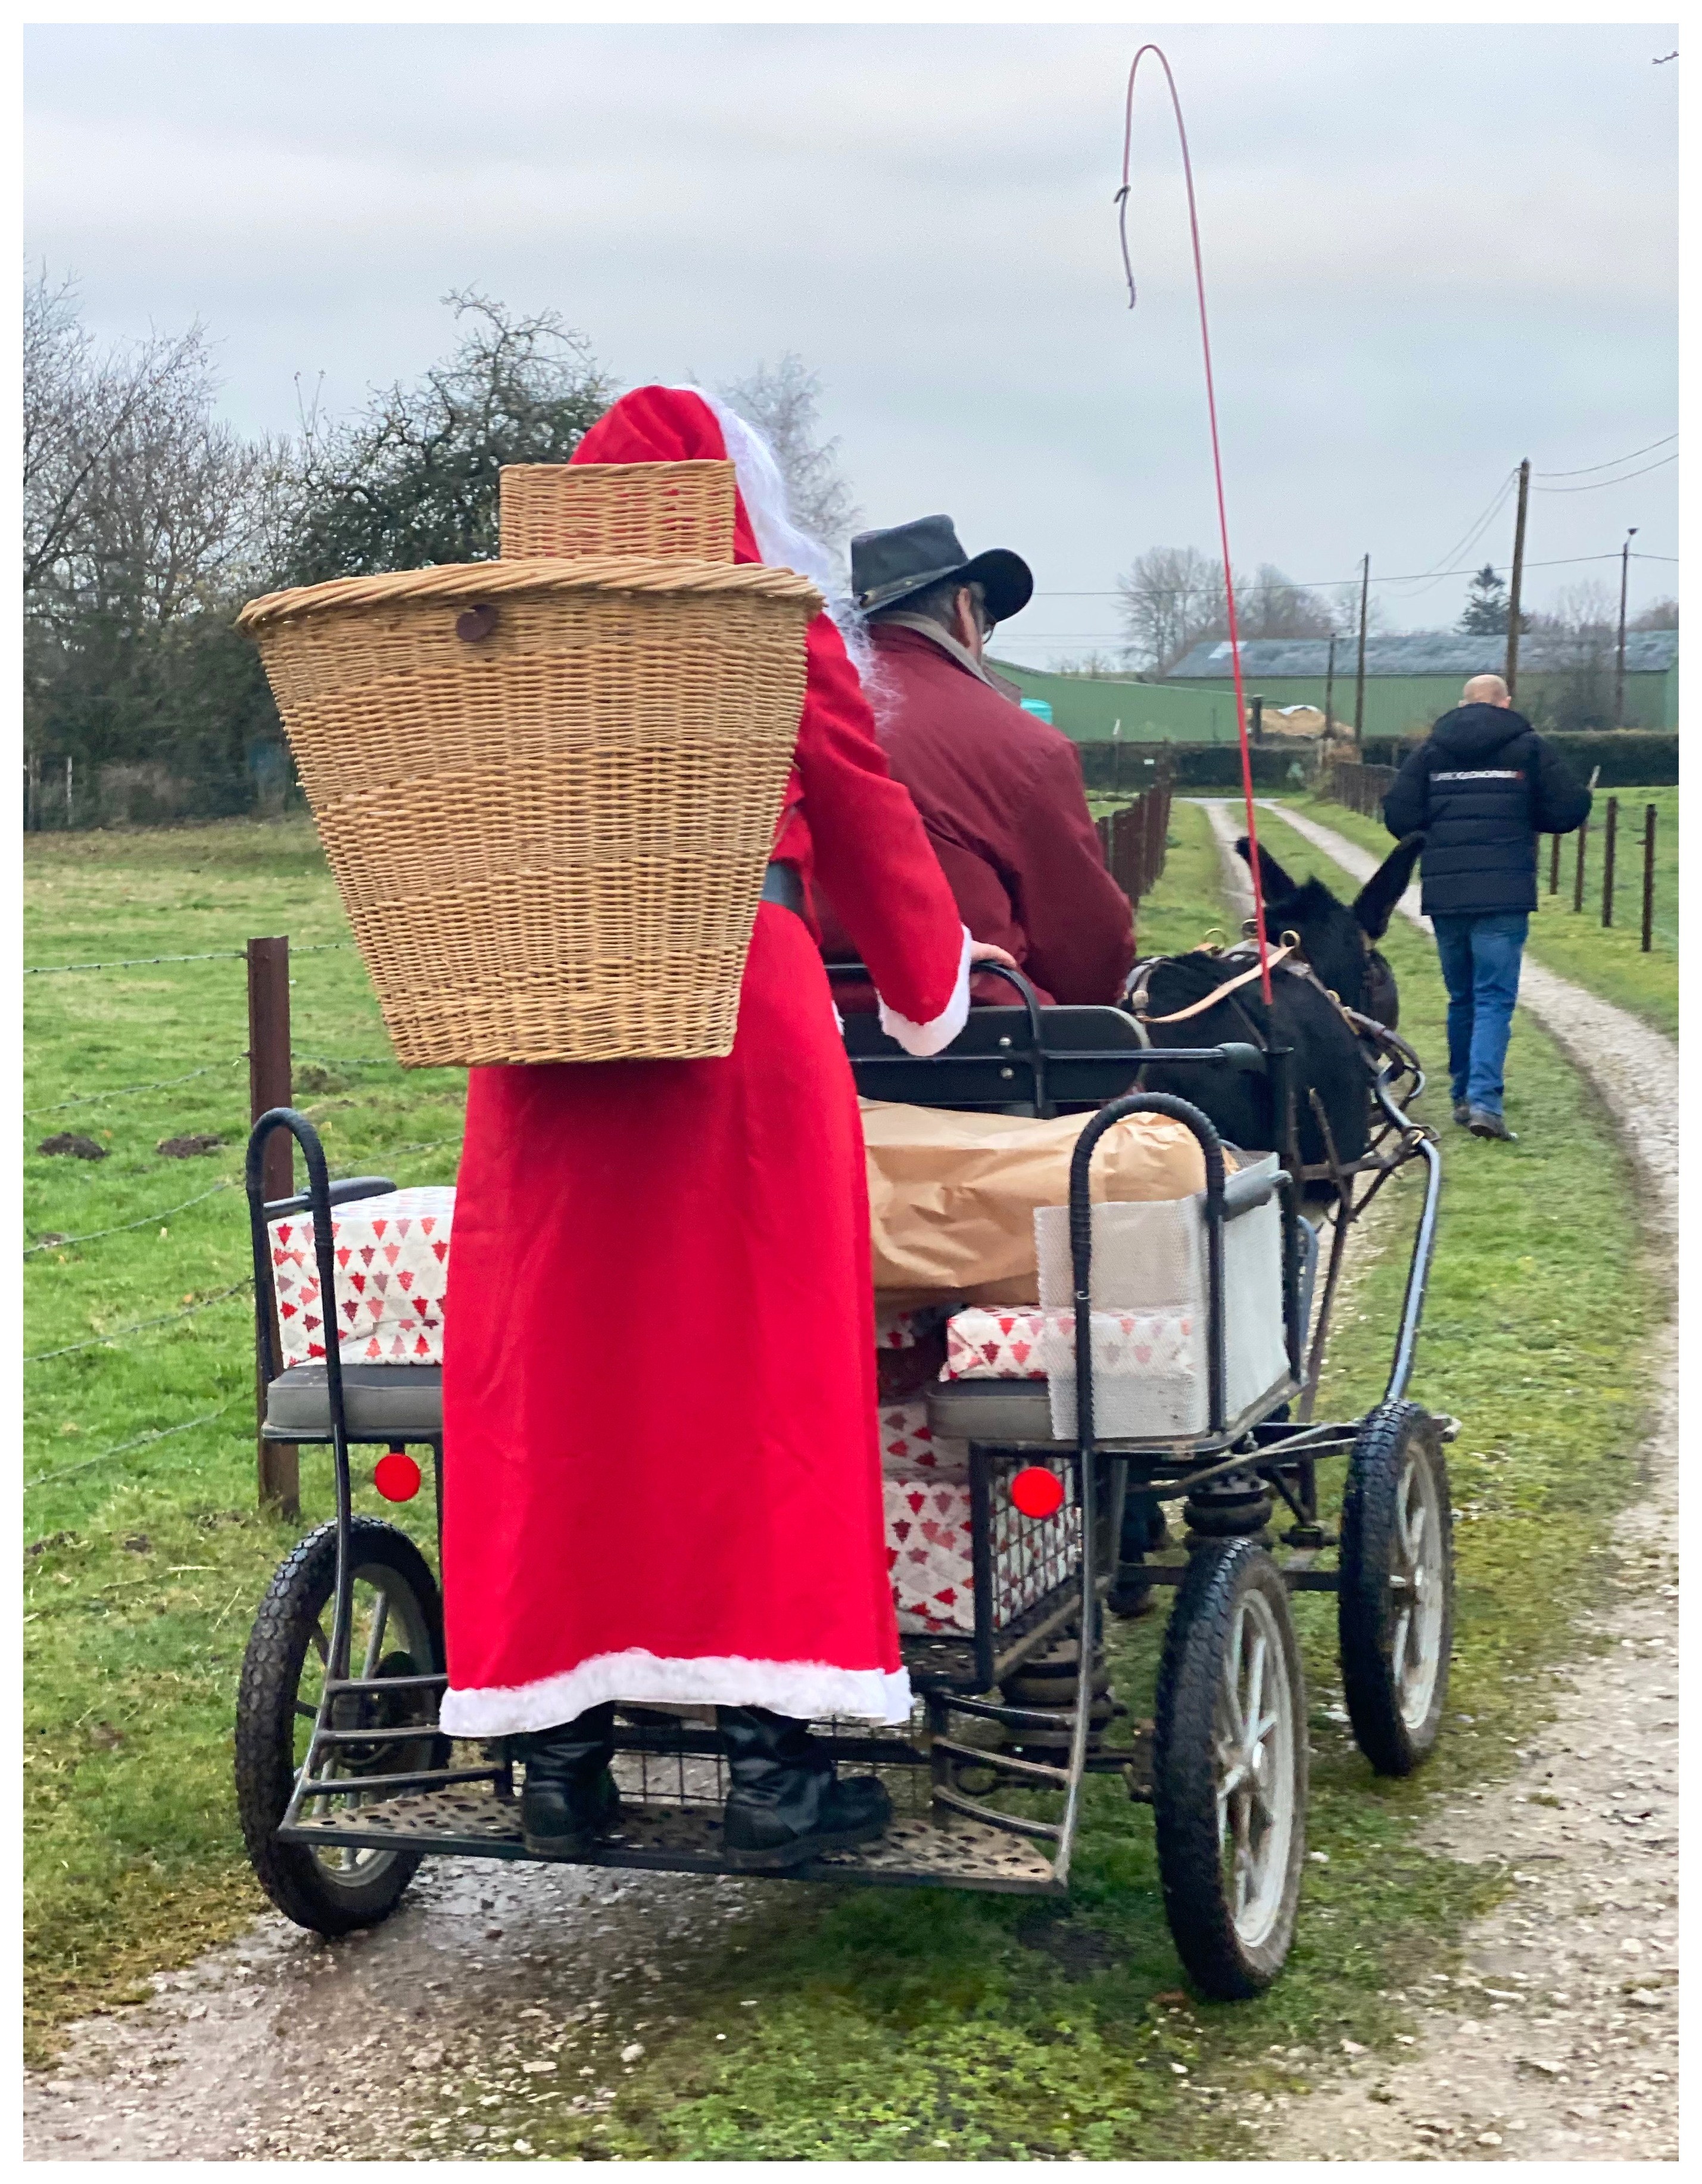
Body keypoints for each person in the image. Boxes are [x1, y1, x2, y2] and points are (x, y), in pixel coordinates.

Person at [437, 386, 1016, 1872]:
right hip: (733, 1014)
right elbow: (860, 795)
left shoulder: (495, 631)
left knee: (562, 1369)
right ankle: (773, 1759)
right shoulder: (770, 621)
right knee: (759, 1365)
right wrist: (929, 980)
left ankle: (555, 1754)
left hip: (543, 1005)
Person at [817, 515, 1135, 1006]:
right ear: (964, 608)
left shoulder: (783, 714)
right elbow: (1086, 952)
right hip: (976, 1048)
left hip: (791, 1030)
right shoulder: (1024, 745)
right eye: (986, 622)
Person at [1382, 672, 1589, 1142]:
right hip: (1505, 891)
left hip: (1447, 893)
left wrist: (1440, 830)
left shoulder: (1432, 752)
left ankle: (1462, 1095)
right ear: (1506, 702)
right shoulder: (1529, 747)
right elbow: (1570, 809)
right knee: (1495, 997)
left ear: (1464, 703)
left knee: (1463, 997)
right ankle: (1485, 1103)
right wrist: (1523, 815)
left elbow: (1398, 815)